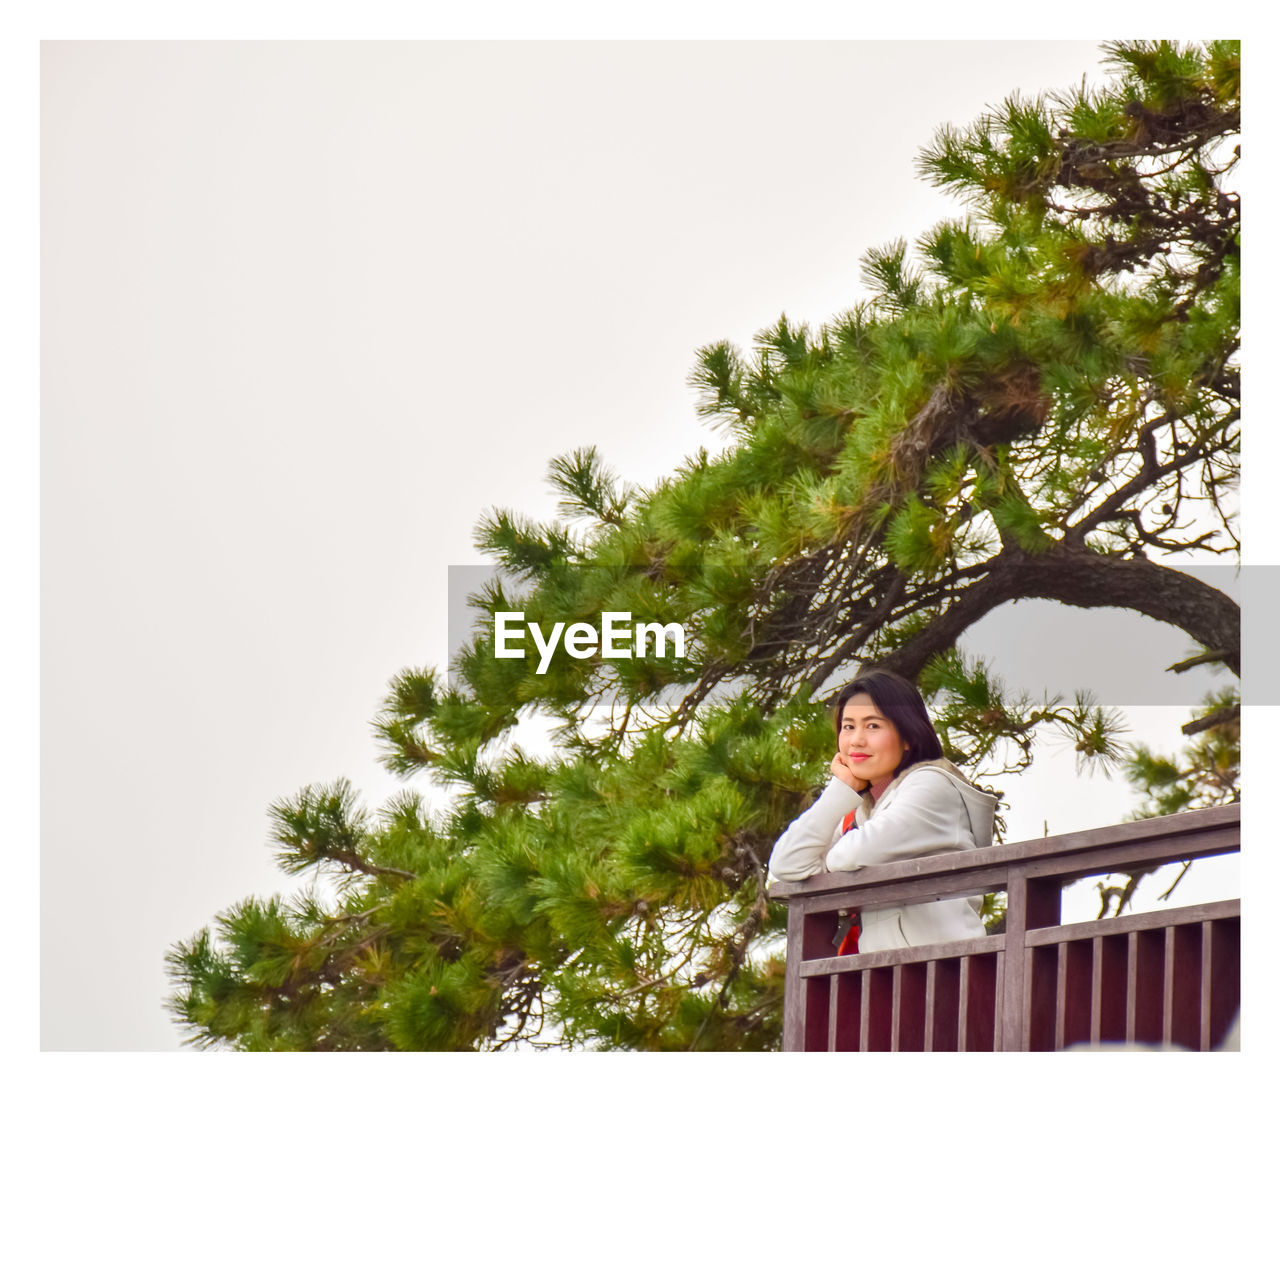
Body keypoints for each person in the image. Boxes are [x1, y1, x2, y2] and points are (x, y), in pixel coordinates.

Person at [769, 668, 996, 952]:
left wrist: (830, 859)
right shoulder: (863, 809)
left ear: (907, 736)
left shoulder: (931, 786)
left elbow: (850, 854)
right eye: (848, 726)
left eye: (873, 726)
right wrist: (841, 790)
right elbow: (785, 864)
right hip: (887, 979)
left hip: (948, 972)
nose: (856, 740)